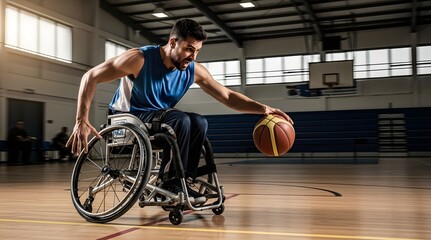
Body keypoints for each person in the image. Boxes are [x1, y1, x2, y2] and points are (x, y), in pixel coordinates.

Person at [66, 18, 293, 201]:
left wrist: (264, 109)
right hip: (127, 119)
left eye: (197, 52)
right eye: (189, 49)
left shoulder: (192, 69)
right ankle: (170, 181)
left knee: (199, 121)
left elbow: (228, 96)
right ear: (172, 42)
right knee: (180, 119)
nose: (192, 57)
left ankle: (184, 180)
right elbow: (90, 76)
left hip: (158, 120)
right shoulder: (139, 59)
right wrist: (81, 119)